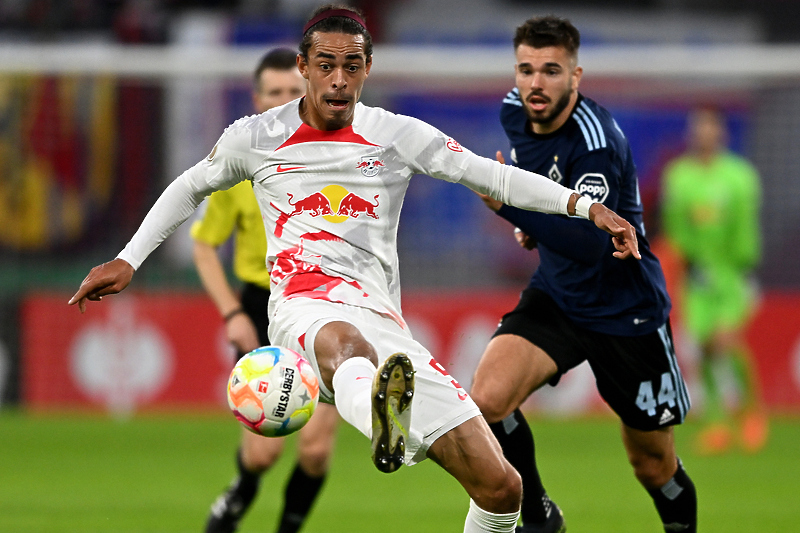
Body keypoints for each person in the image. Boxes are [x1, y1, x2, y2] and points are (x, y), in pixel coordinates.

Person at [68, 6, 641, 532]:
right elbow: (190, 185)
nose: (338, 79)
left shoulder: (394, 135)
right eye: (325, 66)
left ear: (367, 68)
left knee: (501, 487)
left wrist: (586, 206)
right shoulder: (256, 137)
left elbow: (490, 177)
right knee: (346, 343)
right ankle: (386, 424)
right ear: (304, 68)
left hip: (387, 327)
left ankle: (388, 411)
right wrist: (128, 257)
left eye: (351, 66)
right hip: (302, 309)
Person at [469, 16, 697, 533]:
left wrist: (510, 211)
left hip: (625, 312)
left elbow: (594, 244)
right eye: (525, 70)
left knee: (653, 466)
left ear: (576, 77)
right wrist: (533, 225)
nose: (535, 83)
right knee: (487, 400)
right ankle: (540, 515)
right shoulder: (514, 113)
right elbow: (544, 192)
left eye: (551, 71)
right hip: (559, 295)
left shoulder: (596, 141)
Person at [191, 48, 339, 533]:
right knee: (264, 451)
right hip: (260, 305)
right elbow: (205, 247)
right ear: (257, 99)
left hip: (322, 301)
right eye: (274, 93)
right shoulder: (238, 165)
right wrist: (232, 313)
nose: (283, 101)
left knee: (315, 451)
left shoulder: (340, 158)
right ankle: (242, 490)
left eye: (293, 92)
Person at [661, 107, 766, 455]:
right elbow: (676, 224)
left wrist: (743, 265)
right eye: (698, 127)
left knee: (726, 340)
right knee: (704, 346)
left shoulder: (740, 177)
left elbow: (745, 227)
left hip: (732, 273)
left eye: (710, 126)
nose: (703, 133)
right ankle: (718, 422)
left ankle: (752, 411)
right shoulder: (679, 177)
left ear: (720, 132)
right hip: (697, 275)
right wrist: (686, 258)